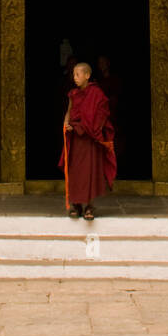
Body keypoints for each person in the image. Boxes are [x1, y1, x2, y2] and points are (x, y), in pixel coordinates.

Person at [59, 61, 117, 221]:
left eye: (78, 74)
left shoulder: (97, 94)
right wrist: (66, 124)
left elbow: (102, 114)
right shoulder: (73, 94)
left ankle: (89, 206)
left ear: (87, 75)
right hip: (77, 140)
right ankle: (76, 204)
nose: (75, 77)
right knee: (76, 172)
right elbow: (69, 112)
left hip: (90, 140)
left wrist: (91, 129)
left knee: (90, 172)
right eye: (74, 75)